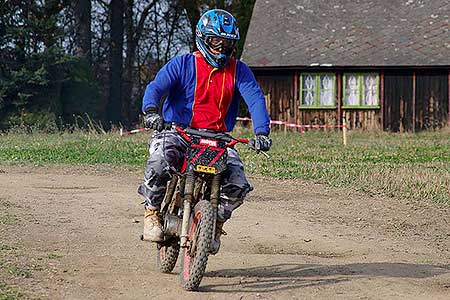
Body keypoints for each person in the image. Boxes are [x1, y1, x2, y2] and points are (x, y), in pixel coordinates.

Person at [138, 9, 272, 252]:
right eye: (215, 41)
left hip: (218, 139)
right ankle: (152, 213)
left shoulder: (239, 70)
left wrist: (262, 132)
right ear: (203, 38)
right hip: (178, 132)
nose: (221, 48)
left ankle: (215, 224)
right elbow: (156, 87)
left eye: (227, 43)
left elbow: (255, 99)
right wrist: (151, 111)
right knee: (158, 163)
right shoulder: (182, 64)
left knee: (238, 184)